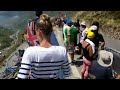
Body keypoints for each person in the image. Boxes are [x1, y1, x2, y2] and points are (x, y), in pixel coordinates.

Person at [17, 14, 72, 79]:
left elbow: (21, 77)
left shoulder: (30, 52)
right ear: (51, 31)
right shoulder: (62, 51)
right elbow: (67, 73)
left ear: (38, 31)